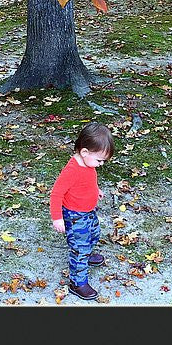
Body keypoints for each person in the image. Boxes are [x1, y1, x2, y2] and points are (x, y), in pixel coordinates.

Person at [50, 122, 114, 301]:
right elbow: (56, 194)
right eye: (99, 160)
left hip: (88, 212)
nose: (100, 164)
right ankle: (77, 283)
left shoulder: (88, 164)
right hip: (75, 216)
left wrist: (96, 190)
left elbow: (89, 180)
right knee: (79, 248)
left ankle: (87, 254)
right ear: (84, 152)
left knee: (94, 234)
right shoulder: (72, 170)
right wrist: (57, 218)